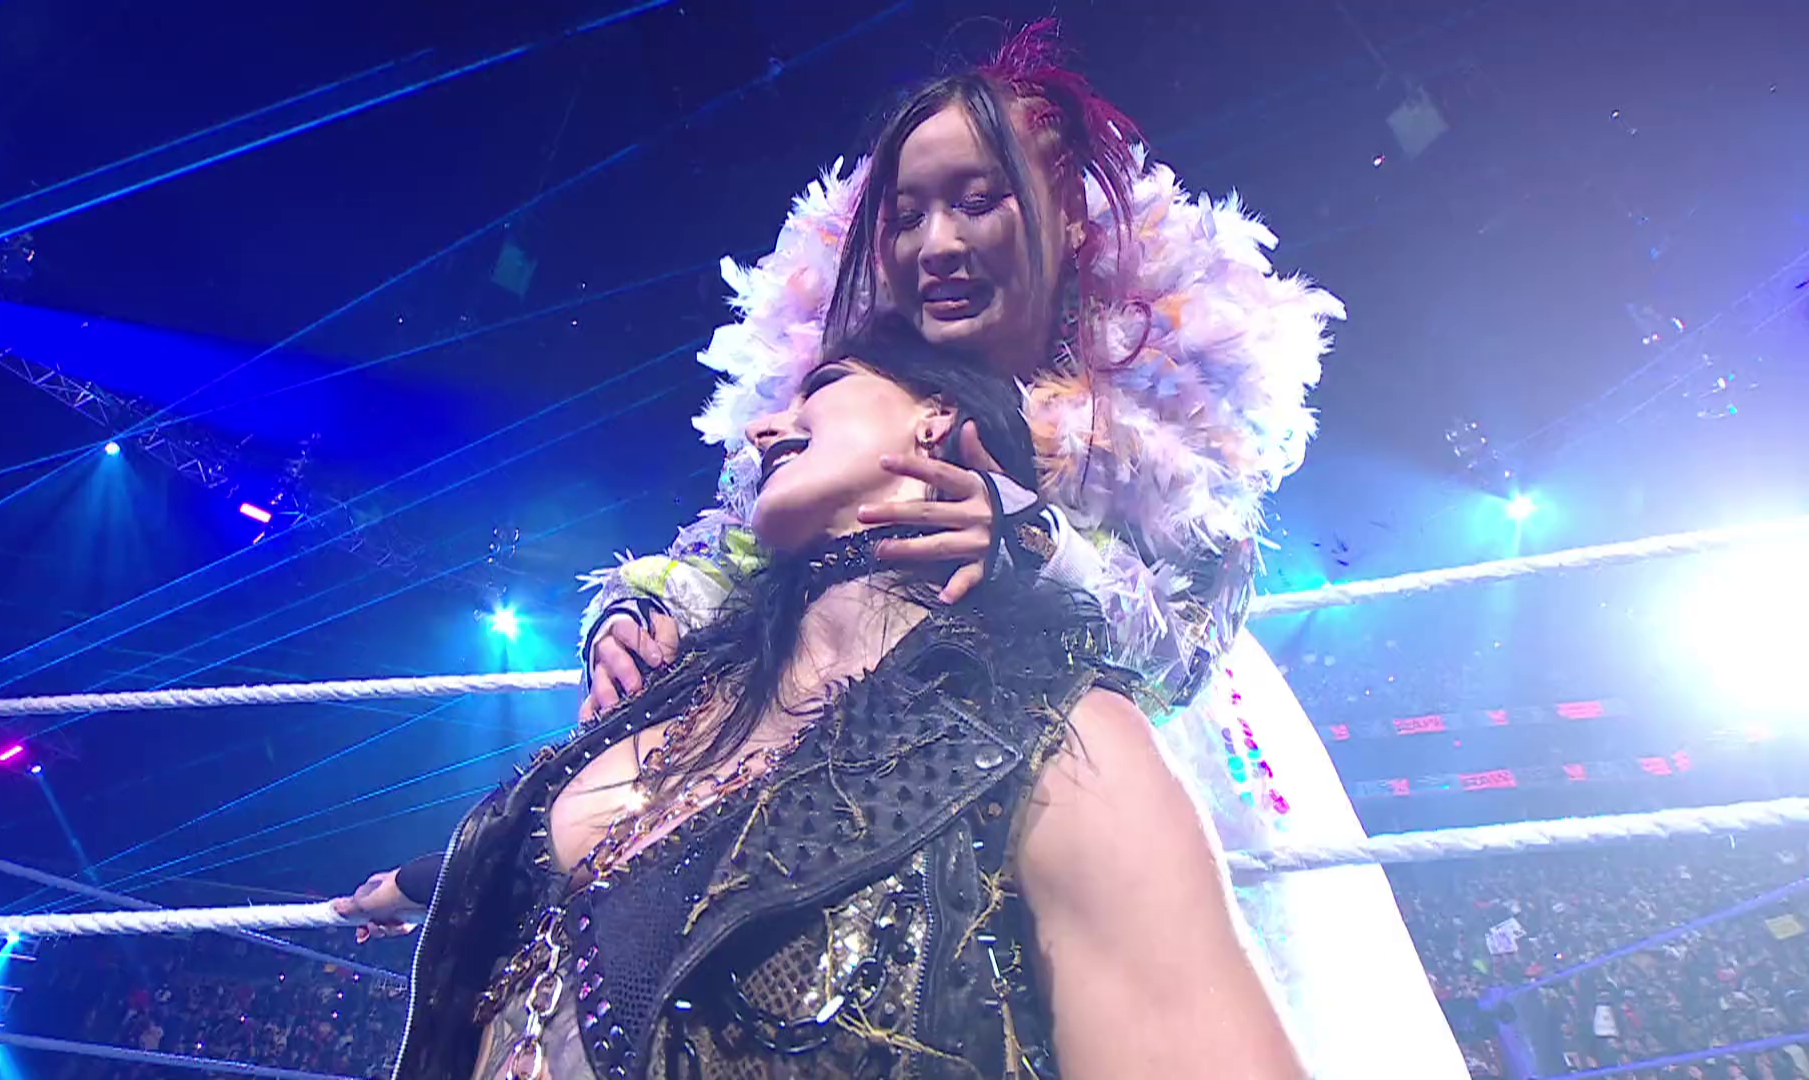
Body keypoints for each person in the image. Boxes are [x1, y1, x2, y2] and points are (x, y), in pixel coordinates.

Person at [562, 20, 1464, 1080]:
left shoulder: (1168, 389)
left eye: (978, 200)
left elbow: (1185, 648)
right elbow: (726, 551)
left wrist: (1036, 546)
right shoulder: (848, 386)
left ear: (1067, 218)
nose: (937, 244)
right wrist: (638, 611)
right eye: (907, 216)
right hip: (855, 764)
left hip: (1107, 765)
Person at [339, 319, 1307, 1079]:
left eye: (822, 389)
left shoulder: (1060, 745)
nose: (764, 427)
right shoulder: (685, 700)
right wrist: (440, 877)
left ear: (934, 419)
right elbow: (629, 876)